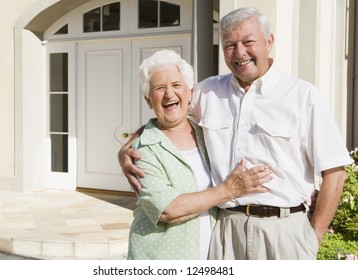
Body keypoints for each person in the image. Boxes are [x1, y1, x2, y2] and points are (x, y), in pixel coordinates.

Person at [119, 7, 353, 260]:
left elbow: (335, 172)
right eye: (230, 45)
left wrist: (313, 237)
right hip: (226, 232)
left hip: (285, 231)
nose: (240, 53)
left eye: (248, 42)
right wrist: (130, 145)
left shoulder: (303, 96)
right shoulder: (207, 92)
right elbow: (169, 111)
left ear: (269, 41)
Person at [127, 49, 273, 260]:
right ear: (149, 100)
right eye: (159, 88)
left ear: (189, 92)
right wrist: (229, 190)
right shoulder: (143, 150)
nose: (169, 94)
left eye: (176, 85)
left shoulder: (207, 134)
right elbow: (169, 209)